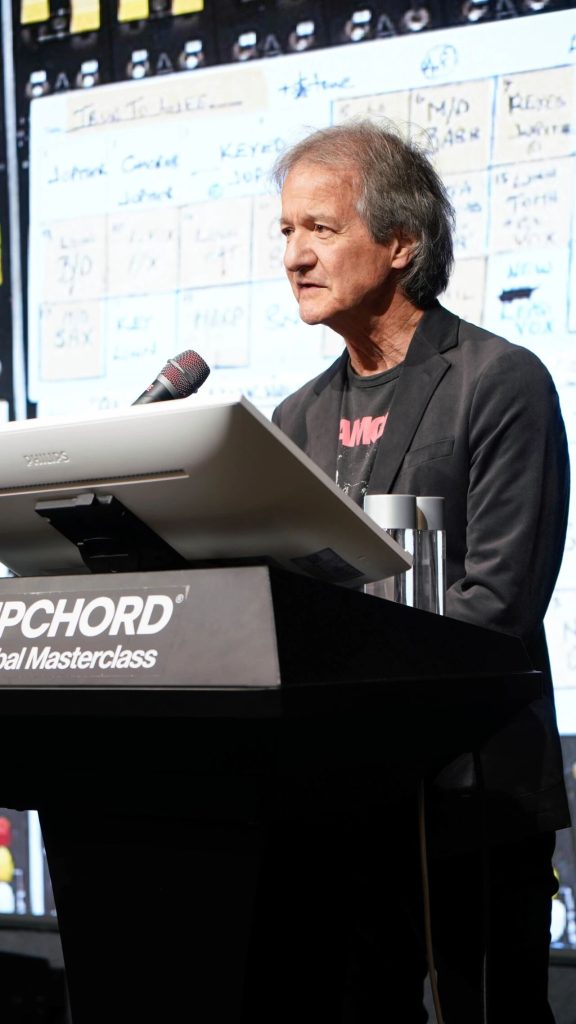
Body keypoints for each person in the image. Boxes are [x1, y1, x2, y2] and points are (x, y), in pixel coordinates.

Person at [266, 120, 571, 1022]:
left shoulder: (498, 382)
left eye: (321, 229)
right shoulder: (295, 418)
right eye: (286, 231)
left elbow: (498, 603)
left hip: (473, 799)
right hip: (345, 801)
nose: (295, 256)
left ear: (401, 243)